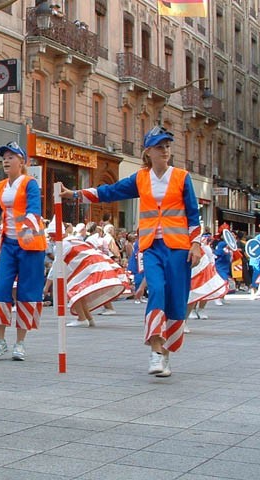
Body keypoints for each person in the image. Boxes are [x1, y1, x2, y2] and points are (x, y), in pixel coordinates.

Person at [60, 126, 202, 377]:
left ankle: (166, 355)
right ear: (148, 152)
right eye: (160, 147)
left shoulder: (182, 177)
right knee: (156, 291)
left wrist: (196, 244)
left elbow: (193, 215)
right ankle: (156, 352)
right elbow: (109, 191)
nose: (166, 150)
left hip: (179, 248)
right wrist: (76, 194)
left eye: (168, 146)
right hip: (151, 247)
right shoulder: (140, 178)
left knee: (176, 300)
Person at [0, 142, 46, 361]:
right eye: (4, 157)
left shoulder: (30, 183)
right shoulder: (1, 186)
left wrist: (26, 231)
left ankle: (20, 343)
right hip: (9, 245)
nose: (6, 160)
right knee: (2, 289)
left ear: (22, 161)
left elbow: (34, 210)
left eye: (11, 156)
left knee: (27, 292)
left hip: (31, 245)